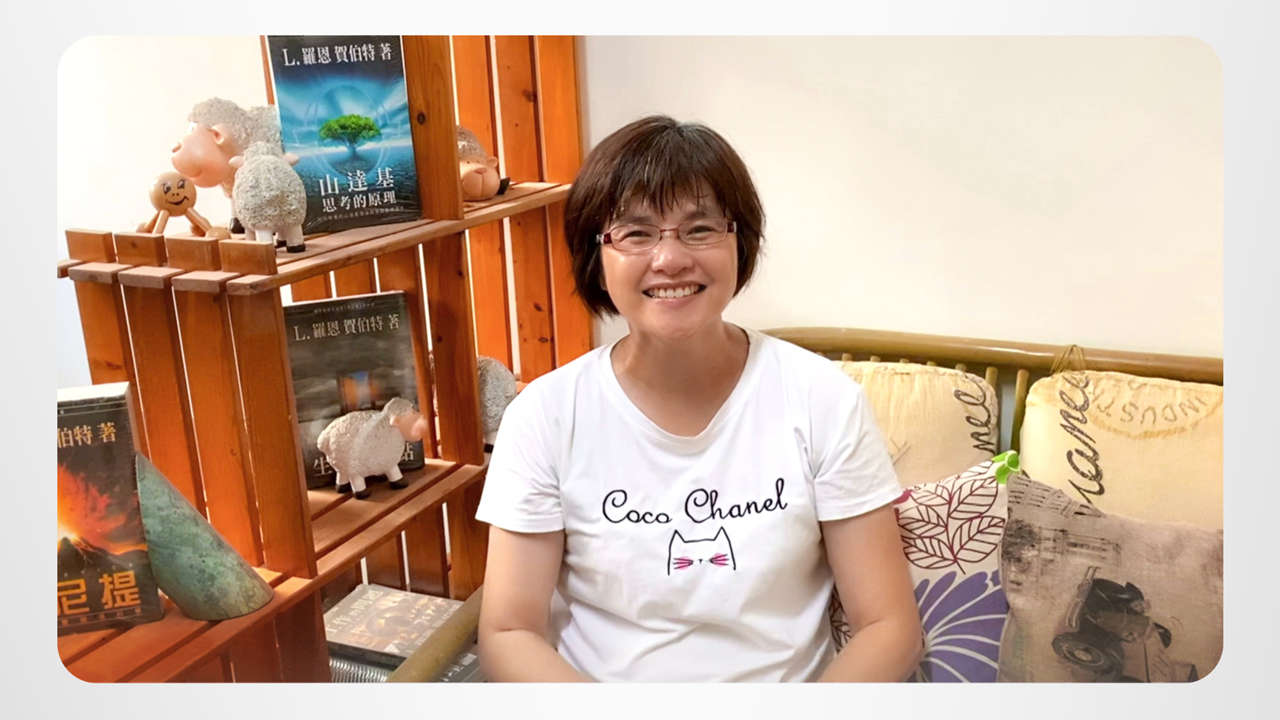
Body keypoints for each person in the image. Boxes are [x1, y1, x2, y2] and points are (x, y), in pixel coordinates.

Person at [474, 115, 922, 682]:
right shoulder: (545, 415)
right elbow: (509, 631)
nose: (670, 259)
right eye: (636, 233)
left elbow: (888, 625)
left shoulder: (821, 399)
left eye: (700, 228)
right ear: (597, 258)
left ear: (740, 243)